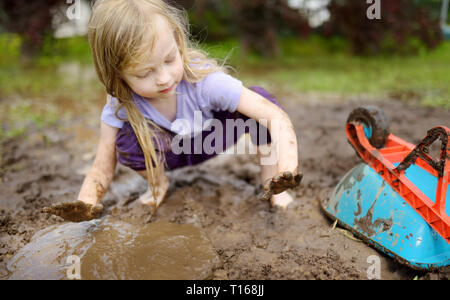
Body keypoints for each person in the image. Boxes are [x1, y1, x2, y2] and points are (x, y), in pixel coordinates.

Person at [43, 0, 302, 222]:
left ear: (178, 42)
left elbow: (275, 117)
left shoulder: (206, 82)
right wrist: (85, 204)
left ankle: (272, 186)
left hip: (211, 138)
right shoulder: (120, 103)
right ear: (117, 75)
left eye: (169, 60)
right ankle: (158, 185)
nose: (164, 78)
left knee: (260, 101)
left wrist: (286, 170)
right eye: (145, 72)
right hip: (167, 154)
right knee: (125, 137)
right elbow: (101, 167)